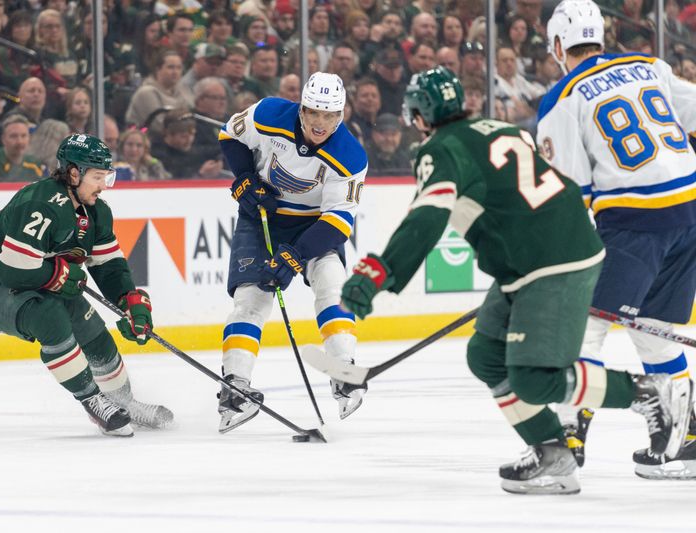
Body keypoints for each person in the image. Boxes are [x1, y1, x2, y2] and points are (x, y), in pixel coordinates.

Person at [338, 67, 691, 494]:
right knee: (485, 354)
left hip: (550, 262)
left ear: (418, 115)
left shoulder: (442, 149)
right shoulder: (497, 127)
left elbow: (425, 221)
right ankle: (552, 453)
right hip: (540, 255)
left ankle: (647, 392)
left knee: (532, 376)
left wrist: (380, 273)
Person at [537, 0, 696, 480]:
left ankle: (566, 439)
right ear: (601, 37)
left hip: (635, 220)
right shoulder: (650, 66)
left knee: (583, 326)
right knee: (652, 326)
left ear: (559, 45)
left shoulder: (562, 98)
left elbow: (572, 195)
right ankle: (685, 440)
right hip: (689, 208)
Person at [0, 133, 173, 436]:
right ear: (74, 173)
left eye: (106, 177)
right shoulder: (40, 205)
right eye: (98, 177)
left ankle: (124, 401)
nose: (103, 185)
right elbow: (12, 270)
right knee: (49, 317)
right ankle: (93, 400)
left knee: (91, 329)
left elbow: (109, 266)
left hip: (33, 276)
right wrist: (56, 276)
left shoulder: (97, 211)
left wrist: (129, 300)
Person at [216, 72, 368, 430]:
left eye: (330, 115)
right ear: (302, 107)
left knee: (332, 283)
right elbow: (230, 135)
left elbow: (338, 221)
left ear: (341, 115)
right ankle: (234, 387)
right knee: (251, 298)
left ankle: (343, 370)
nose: (320, 123)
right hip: (262, 217)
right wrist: (245, 179)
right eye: (314, 112)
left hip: (313, 227)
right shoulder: (269, 114)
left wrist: (295, 255)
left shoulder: (349, 155)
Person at [0, 115, 44, 181]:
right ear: (3, 139)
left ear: (29, 138)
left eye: (24, 136)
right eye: (13, 136)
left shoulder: (34, 164)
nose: (20, 141)